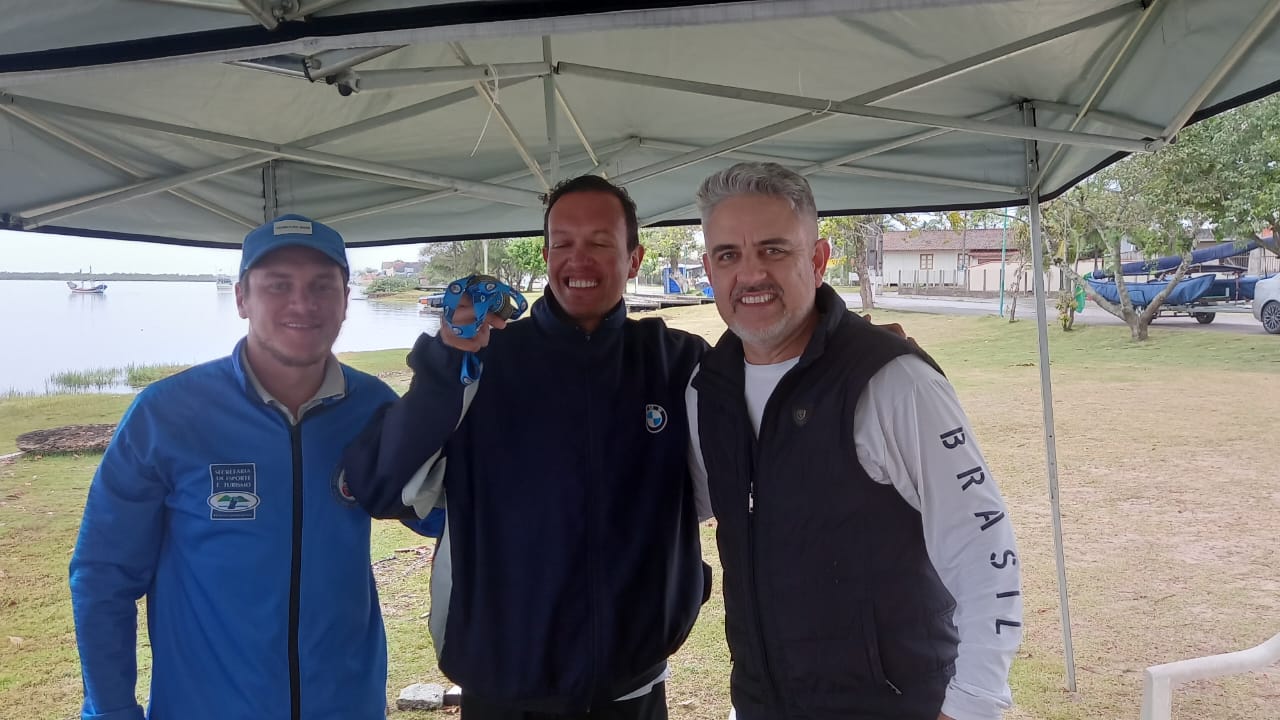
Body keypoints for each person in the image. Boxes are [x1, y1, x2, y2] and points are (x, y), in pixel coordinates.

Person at [341, 175, 712, 720]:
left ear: (634, 259)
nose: (579, 259)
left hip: (632, 688)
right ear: (546, 255)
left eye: (600, 242)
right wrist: (447, 363)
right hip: (502, 688)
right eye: (563, 243)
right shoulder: (482, 364)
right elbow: (381, 486)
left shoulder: (677, 361)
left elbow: (725, 488)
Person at [687, 162, 1023, 720]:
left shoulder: (892, 380)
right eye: (728, 255)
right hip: (762, 702)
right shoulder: (707, 390)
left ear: (818, 260)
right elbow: (685, 510)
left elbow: (982, 545)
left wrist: (973, 703)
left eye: (774, 250)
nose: (750, 274)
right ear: (709, 270)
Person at [69, 214, 434, 720]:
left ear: (346, 299)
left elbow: (437, 514)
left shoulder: (373, 406)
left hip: (347, 704)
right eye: (278, 285)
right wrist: (111, 712)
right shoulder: (166, 415)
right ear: (241, 298)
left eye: (321, 286)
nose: (302, 304)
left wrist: (453, 390)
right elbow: (103, 576)